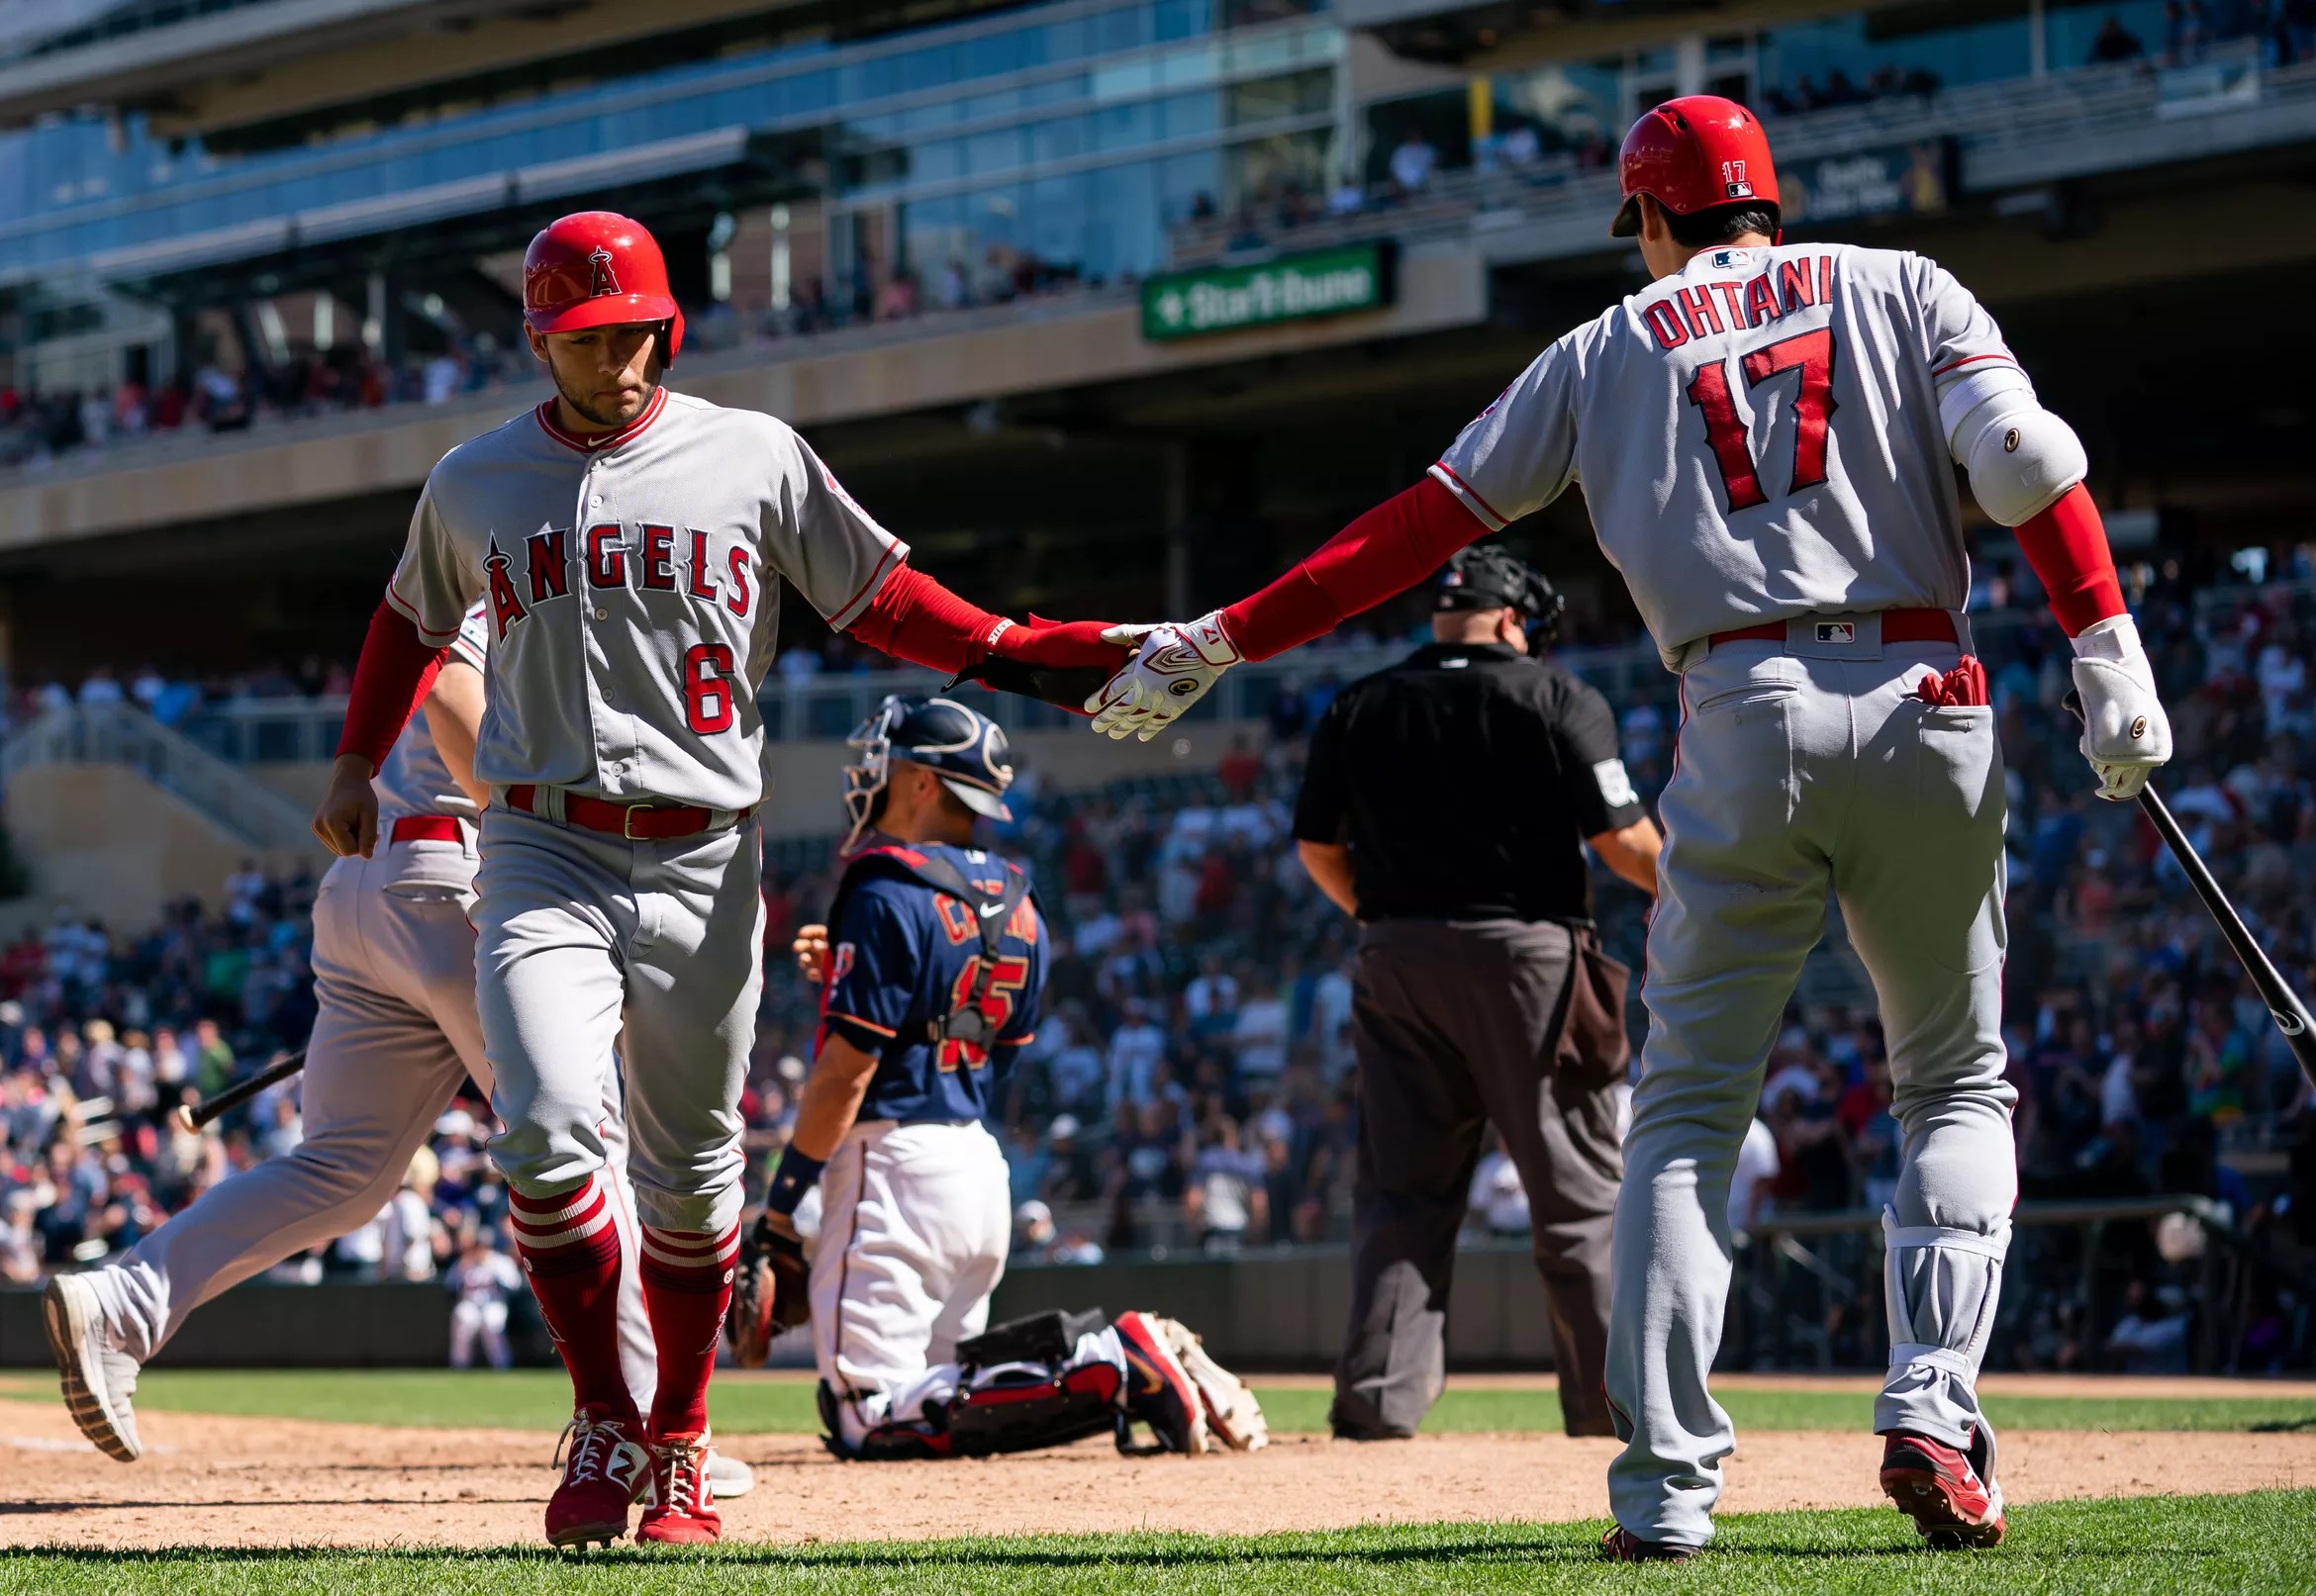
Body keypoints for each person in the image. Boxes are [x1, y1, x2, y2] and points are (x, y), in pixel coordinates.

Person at [1083, 96, 2171, 1556]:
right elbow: (2027, 460)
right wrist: (2106, 642)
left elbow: (1409, 529)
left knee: (1682, 1120)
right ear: (1766, 204)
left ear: (1653, 218)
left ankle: (1665, 1491)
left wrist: (1221, 634)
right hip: (1928, 686)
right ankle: (1930, 1401)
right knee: (1956, 1086)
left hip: (1735, 703)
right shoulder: (1905, 282)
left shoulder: (1603, 348)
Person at [308, 211, 1126, 1549]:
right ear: (540, 342)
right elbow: (407, 620)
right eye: (585, 341)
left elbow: (881, 598)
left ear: (667, 324)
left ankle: (679, 1437)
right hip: (538, 839)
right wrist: (354, 759)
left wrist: (1019, 652)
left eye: (634, 333)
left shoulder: (753, 452)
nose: (616, 362)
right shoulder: (476, 478)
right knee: (547, 1128)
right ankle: (604, 1418)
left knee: (690, 1178)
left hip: (703, 848)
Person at [43, 602, 749, 1497]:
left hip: (376, 882)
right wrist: (545, 855)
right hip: (459, 873)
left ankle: (124, 1301)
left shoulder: (524, 562)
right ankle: (649, 1430)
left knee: (341, 1167)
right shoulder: (519, 567)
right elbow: (449, 687)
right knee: (587, 1140)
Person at [736, 695, 1266, 1461]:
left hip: (892, 1167)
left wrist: (783, 1208)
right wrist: (844, 982)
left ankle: (1115, 1359)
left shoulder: (883, 886)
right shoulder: (1022, 900)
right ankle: (1121, 1361)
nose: (872, 776)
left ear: (923, 782)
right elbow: (985, 1041)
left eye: (890, 765)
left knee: (869, 1413)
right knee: (952, 1393)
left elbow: (847, 1070)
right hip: (977, 1166)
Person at [1293, 548, 1657, 1441]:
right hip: (1525, 956)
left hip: (1396, 957)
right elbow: (1620, 841)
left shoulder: (1359, 701)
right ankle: (1611, 1410)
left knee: (1401, 1194)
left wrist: (1384, 919)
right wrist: (1713, 888)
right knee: (1574, 1193)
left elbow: (1315, 849)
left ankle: (1377, 1400)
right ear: (1511, 621)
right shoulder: (1554, 694)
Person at [448, 1233, 525, 1369]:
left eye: (484, 1246)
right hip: (470, 1304)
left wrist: (494, 1270)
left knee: (491, 1323)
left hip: (495, 1304)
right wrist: (461, 1268)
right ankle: (459, 1364)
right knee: (463, 1319)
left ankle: (501, 1365)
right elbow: (450, 1284)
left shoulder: (500, 1262)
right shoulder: (464, 1262)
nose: (481, 1250)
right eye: (478, 1246)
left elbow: (515, 1285)